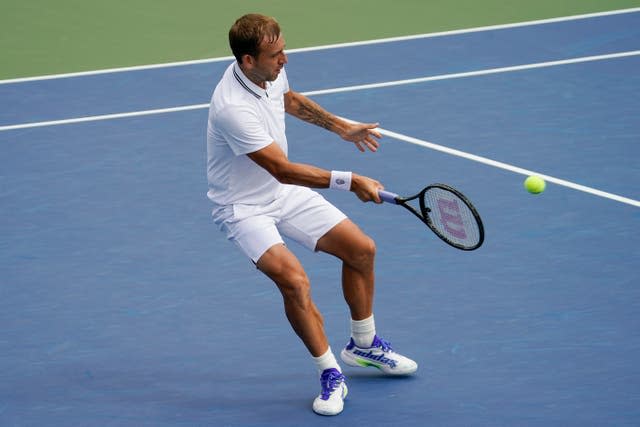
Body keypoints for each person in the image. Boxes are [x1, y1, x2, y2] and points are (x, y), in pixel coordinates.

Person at [206, 13, 417, 416]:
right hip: (243, 207)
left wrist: (341, 127)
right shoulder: (232, 108)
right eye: (275, 54)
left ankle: (364, 345)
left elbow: (289, 100)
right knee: (294, 281)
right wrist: (351, 179)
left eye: (283, 49)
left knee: (361, 249)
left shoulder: (266, 74)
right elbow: (281, 168)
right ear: (248, 61)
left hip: (279, 192)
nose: (284, 59)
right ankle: (329, 372)